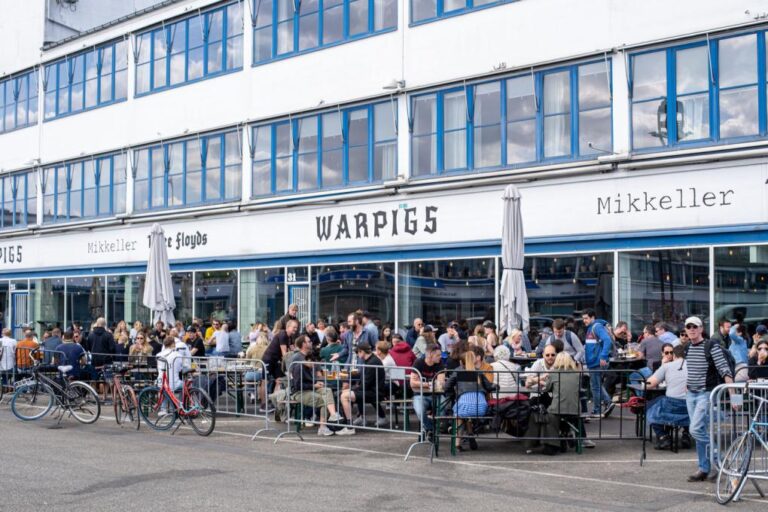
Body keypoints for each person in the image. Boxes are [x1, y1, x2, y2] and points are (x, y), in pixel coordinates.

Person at [683, 315, 735, 482]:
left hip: (706, 394)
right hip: (690, 394)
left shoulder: (711, 345)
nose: (691, 329)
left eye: (695, 326)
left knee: (695, 429)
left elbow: (725, 370)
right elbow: (691, 370)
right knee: (699, 432)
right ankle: (703, 468)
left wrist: (734, 396)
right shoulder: (687, 348)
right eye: (688, 326)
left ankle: (720, 460)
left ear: (701, 329)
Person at [445, 347, 498, 451]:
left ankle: (457, 444)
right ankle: (470, 434)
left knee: (460, 414)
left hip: (464, 406)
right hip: (481, 408)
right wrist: (496, 386)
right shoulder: (479, 372)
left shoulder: (457, 371)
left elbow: (447, 387)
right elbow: (489, 387)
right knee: (466, 411)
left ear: (461, 362)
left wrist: (452, 394)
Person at [290, 335, 341, 436]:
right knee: (323, 401)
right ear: (303, 344)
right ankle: (322, 427)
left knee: (327, 390)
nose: (311, 343)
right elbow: (297, 385)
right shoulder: (298, 360)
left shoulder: (309, 355)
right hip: (300, 391)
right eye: (308, 341)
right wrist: (314, 385)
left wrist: (317, 382)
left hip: (310, 387)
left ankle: (333, 415)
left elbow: (316, 372)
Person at [534, 352, 582, 456]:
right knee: (562, 415)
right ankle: (566, 434)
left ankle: (552, 445)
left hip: (558, 408)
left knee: (550, 416)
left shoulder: (554, 373)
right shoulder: (577, 374)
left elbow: (546, 389)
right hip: (575, 408)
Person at [646, 344, 690, 451]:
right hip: (690, 405)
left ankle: (663, 436)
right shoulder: (694, 366)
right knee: (690, 406)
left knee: (649, 406)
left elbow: (649, 384)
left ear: (674, 355)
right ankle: (686, 434)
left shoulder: (666, 366)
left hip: (672, 404)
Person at [338, 342, 387, 434]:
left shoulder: (372, 362)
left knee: (344, 396)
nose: (357, 354)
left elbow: (365, 384)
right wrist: (350, 381)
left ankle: (349, 426)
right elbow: (363, 378)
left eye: (357, 352)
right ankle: (347, 422)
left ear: (362, 351)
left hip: (374, 393)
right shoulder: (370, 360)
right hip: (371, 390)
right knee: (343, 393)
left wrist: (352, 389)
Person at [582, 309, 615, 418]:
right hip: (595, 361)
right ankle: (607, 403)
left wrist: (603, 356)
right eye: (583, 319)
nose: (584, 321)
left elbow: (607, 340)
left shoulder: (596, 327)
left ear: (592, 317)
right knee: (597, 385)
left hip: (596, 361)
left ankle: (599, 408)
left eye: (586, 318)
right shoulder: (593, 327)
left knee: (595, 386)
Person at [410, 343, 446, 439]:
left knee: (443, 408)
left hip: (436, 395)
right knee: (420, 411)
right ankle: (431, 428)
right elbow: (412, 383)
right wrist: (430, 384)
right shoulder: (418, 362)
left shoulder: (440, 364)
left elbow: (440, 384)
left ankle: (428, 427)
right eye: (438, 355)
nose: (440, 357)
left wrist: (421, 384)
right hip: (420, 394)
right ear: (430, 355)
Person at [262, 319, 298, 391]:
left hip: (277, 361)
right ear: (288, 327)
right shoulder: (283, 334)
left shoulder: (290, 337)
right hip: (269, 359)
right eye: (294, 327)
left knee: (279, 380)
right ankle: (263, 402)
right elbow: (284, 353)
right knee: (265, 381)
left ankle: (276, 400)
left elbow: (293, 350)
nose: (296, 329)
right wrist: (290, 368)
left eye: (296, 327)